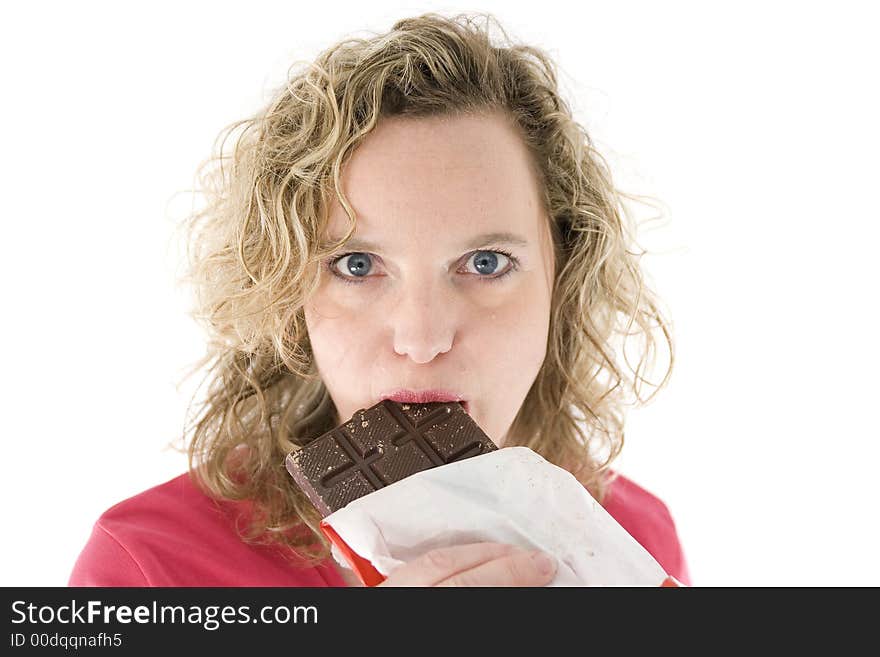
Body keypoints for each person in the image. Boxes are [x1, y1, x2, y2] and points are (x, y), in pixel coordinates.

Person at [69, 12, 690, 587]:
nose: (422, 341)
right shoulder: (151, 566)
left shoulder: (633, 545)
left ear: (566, 273)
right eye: (357, 265)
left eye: (486, 263)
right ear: (287, 289)